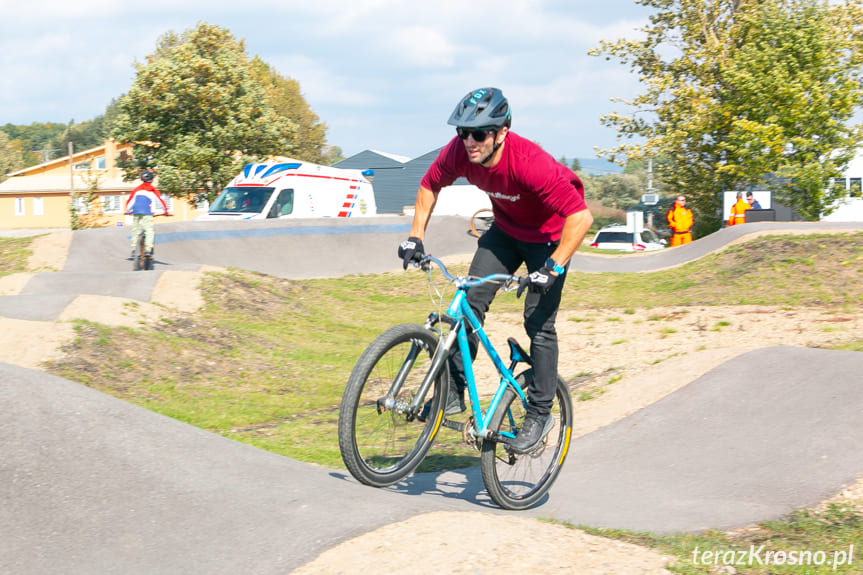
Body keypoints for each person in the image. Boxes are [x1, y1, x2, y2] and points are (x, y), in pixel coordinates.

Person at [397, 87, 593, 453]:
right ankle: (452, 394)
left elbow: (581, 217)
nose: (469, 141)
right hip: (505, 231)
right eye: (463, 132)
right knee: (467, 306)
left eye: (479, 133)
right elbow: (429, 184)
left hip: (550, 239)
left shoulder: (529, 163)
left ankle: (539, 412)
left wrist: (553, 268)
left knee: (538, 323)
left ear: (501, 132)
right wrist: (414, 237)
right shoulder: (461, 152)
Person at [125, 170, 169, 257]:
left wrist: (128, 211)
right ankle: (148, 249)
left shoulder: (136, 190)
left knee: (135, 230)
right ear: (151, 180)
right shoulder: (152, 190)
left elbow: (130, 201)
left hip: (136, 211)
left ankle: (133, 249)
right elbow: (160, 201)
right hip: (146, 212)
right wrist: (165, 211)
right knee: (149, 230)